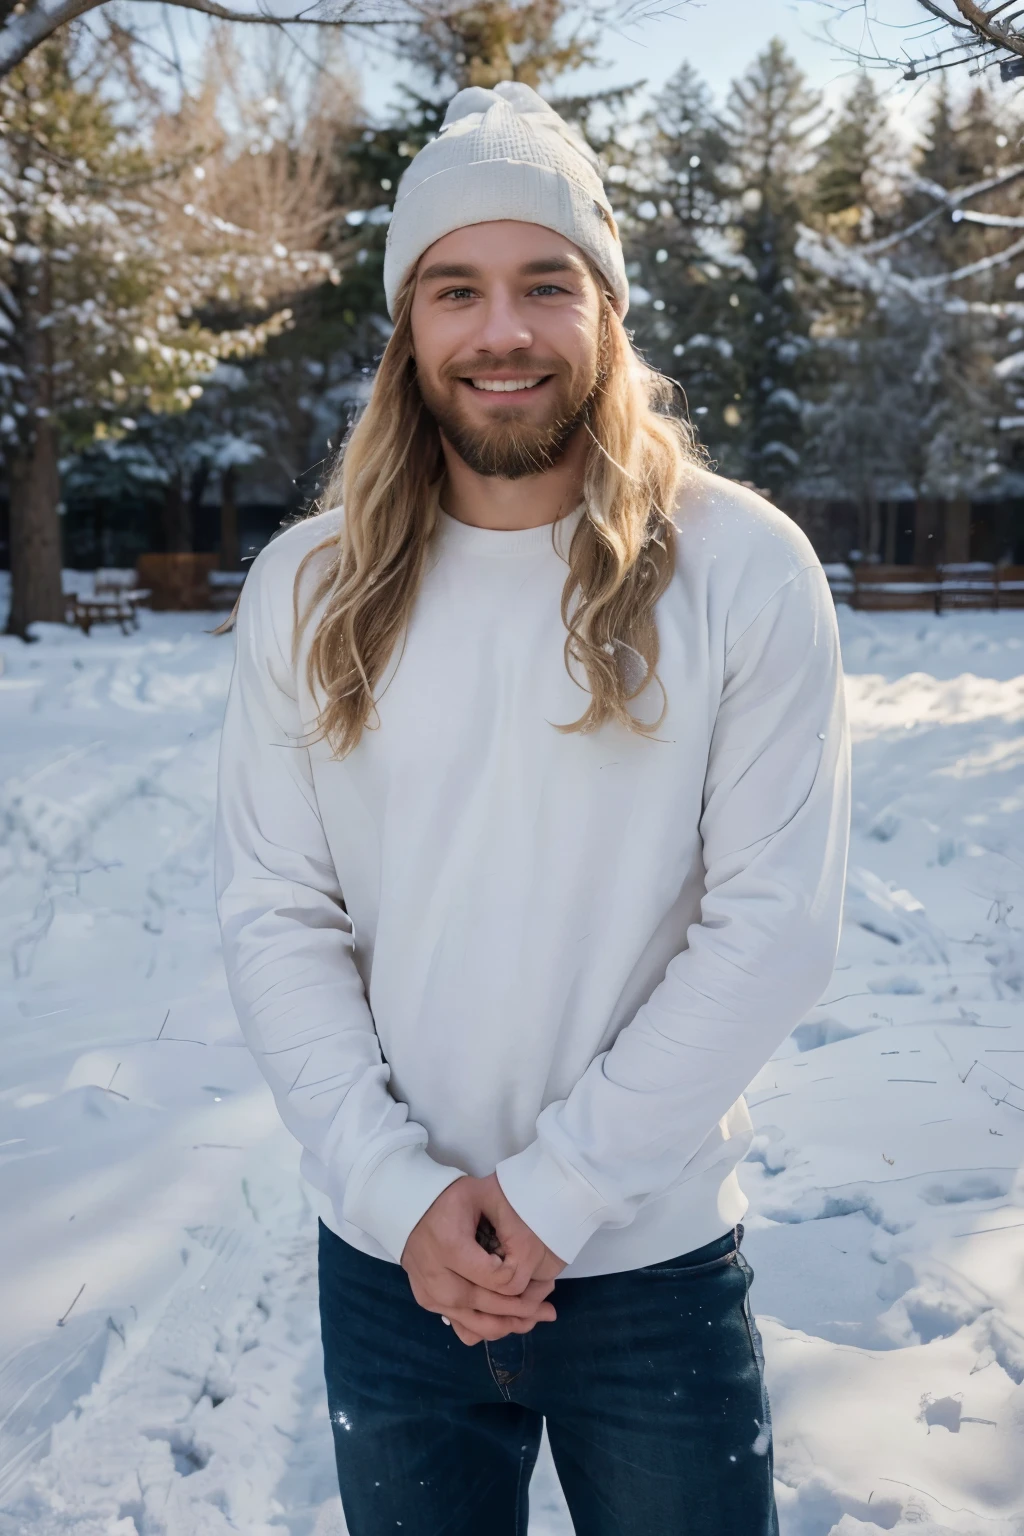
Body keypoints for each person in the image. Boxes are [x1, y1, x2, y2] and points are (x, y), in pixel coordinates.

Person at [214, 80, 851, 1536]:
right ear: (408, 327)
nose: (501, 330)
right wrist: (399, 1196)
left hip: (652, 1274)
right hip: (392, 1271)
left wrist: (555, 1195)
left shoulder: (742, 574)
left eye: (544, 283)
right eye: (456, 289)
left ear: (608, 309)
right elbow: (276, 913)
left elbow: (774, 929)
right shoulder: (305, 594)